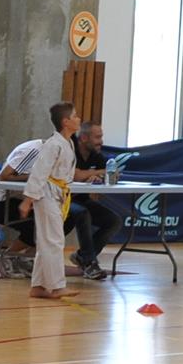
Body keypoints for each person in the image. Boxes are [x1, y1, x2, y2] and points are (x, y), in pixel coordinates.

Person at [22, 101, 79, 303]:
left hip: (57, 193)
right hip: (45, 194)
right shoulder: (53, 144)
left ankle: (38, 286)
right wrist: (27, 200)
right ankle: (56, 287)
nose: (78, 119)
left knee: (47, 241)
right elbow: (39, 172)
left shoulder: (68, 143)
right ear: (65, 122)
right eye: (75, 116)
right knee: (54, 240)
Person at [70, 120, 120, 280]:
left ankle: (83, 257)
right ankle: (90, 263)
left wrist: (99, 177)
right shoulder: (70, 150)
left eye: (101, 137)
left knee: (114, 221)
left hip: (82, 199)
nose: (101, 141)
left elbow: (112, 174)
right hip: (63, 200)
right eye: (97, 137)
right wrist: (98, 172)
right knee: (82, 213)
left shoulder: (96, 155)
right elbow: (76, 176)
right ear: (84, 138)